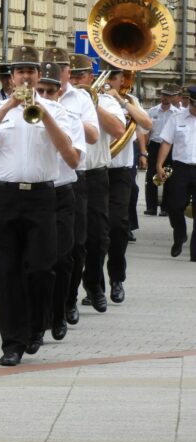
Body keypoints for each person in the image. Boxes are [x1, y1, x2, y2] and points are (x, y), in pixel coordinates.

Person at [0, 46, 78, 366]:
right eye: (21, 71)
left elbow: (71, 156)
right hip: (4, 197)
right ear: (12, 77)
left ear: (39, 75)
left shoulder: (57, 112)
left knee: (43, 268)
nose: (26, 77)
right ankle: (12, 342)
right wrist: (7, 108)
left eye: (31, 71)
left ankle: (37, 324)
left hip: (43, 196)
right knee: (8, 272)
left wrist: (44, 115)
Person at [45, 47, 99, 328]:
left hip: (73, 177)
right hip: (43, 179)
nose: (57, 70)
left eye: (62, 66)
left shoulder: (81, 99)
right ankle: (47, 307)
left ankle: (68, 301)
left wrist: (62, 115)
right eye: (51, 65)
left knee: (74, 247)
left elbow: (92, 135)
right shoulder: (37, 94)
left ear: (68, 71)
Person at [70, 55, 125, 314]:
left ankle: (93, 284)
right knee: (72, 241)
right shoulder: (59, 99)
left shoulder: (105, 101)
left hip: (94, 175)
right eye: (71, 75)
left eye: (80, 76)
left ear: (91, 77)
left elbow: (117, 130)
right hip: (67, 177)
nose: (74, 81)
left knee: (98, 238)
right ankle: (68, 297)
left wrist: (93, 103)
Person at [35, 62, 86, 345]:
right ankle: (39, 318)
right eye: (39, 90)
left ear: (58, 92)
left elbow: (74, 159)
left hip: (63, 192)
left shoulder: (68, 117)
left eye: (49, 91)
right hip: (36, 195)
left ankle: (60, 311)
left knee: (62, 258)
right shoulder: (23, 114)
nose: (43, 96)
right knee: (38, 261)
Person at [103, 62, 152, 304]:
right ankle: (94, 284)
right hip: (95, 171)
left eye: (116, 77)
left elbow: (147, 124)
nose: (113, 81)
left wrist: (122, 102)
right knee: (93, 231)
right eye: (109, 76)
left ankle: (116, 278)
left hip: (121, 172)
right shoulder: (90, 98)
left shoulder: (130, 100)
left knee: (117, 225)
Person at [156, 85, 196, 260]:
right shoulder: (176, 118)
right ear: (191, 103)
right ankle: (180, 235)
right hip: (181, 167)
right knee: (173, 205)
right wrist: (159, 165)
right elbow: (166, 142)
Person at [143, 87, 181, 215]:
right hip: (155, 145)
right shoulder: (152, 111)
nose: (165, 98)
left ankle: (165, 207)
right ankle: (151, 207)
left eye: (169, 96)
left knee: (169, 176)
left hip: (170, 147)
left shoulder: (177, 113)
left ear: (174, 97)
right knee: (151, 176)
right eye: (164, 95)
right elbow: (146, 131)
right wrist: (144, 151)